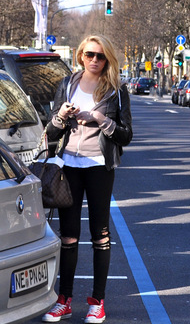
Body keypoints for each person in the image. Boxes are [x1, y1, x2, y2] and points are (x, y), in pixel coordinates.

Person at [42, 35, 133, 324]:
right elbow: (52, 131)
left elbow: (126, 135)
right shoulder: (67, 85)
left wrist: (100, 119)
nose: (95, 60)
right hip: (68, 165)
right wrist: (61, 116)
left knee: (100, 235)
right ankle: (64, 300)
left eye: (101, 56)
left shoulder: (116, 89)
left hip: (98, 166)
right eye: (90, 54)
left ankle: (97, 302)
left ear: (107, 60)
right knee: (68, 236)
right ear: (81, 55)